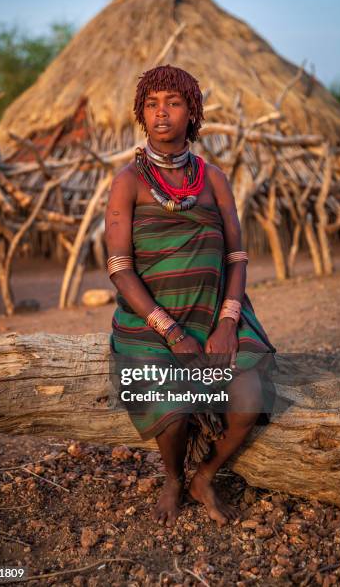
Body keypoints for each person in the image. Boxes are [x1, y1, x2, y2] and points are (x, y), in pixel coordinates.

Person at [105, 65, 276, 528]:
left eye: (174, 103)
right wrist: (172, 332)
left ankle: (205, 474)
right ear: (141, 112)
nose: (162, 112)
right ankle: (174, 479)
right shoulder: (127, 181)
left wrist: (226, 323)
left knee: (247, 399)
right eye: (152, 103)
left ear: (192, 111)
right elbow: (119, 267)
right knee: (174, 411)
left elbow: (237, 255)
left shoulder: (213, 179)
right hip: (149, 323)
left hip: (216, 313)